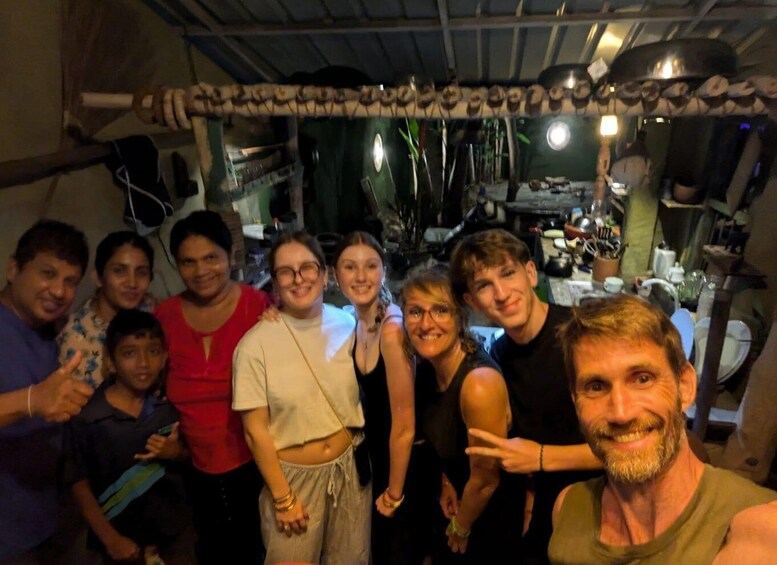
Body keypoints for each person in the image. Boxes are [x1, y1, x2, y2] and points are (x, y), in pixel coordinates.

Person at [549, 294, 777, 563]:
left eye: (642, 379)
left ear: (685, 386)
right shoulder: (568, 509)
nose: (621, 413)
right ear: (576, 402)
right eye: (596, 387)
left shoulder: (759, 528)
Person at [449, 228, 601, 563]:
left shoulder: (583, 340)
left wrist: (541, 457)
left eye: (507, 273)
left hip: (604, 507)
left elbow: (628, 450)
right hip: (547, 515)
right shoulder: (500, 356)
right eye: (484, 286)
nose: (502, 294)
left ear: (530, 273)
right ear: (472, 302)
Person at [233, 231, 371, 565]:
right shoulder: (254, 346)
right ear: (275, 282)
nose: (298, 279)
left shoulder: (348, 324)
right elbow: (255, 431)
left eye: (307, 268)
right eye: (286, 271)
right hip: (294, 482)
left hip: (351, 472)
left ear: (324, 275)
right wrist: (283, 498)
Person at [154, 210, 272, 564]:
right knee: (212, 551)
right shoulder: (164, 316)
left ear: (230, 255)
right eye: (188, 262)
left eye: (210, 258)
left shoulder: (258, 307)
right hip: (192, 468)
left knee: (259, 549)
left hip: (257, 463)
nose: (201, 270)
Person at [400, 265, 523, 562]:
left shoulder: (479, 385)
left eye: (440, 310)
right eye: (415, 312)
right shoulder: (428, 368)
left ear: (460, 317)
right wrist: (446, 480)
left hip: (486, 517)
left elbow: (486, 479)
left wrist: (460, 527)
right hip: (457, 499)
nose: (426, 324)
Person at [62, 309, 190, 564]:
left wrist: (176, 453)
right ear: (110, 361)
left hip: (172, 539)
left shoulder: (169, 410)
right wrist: (110, 539)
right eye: (129, 353)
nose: (143, 362)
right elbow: (78, 482)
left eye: (153, 351)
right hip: (118, 544)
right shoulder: (89, 418)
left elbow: (188, 459)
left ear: (164, 357)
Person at [0, 219, 93, 563]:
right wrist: (29, 401)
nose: (59, 291)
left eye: (70, 281)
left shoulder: (45, 331)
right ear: (14, 269)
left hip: (45, 517)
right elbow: (37, 400)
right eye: (48, 273)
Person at [331, 232, 417, 564]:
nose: (361, 276)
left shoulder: (392, 330)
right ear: (336, 275)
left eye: (370, 266)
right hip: (376, 458)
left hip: (400, 465)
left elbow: (405, 425)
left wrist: (394, 493)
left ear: (383, 271)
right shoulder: (356, 319)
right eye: (349, 267)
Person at [58, 231, 155, 389]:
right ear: (98, 277)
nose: (132, 283)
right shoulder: (75, 339)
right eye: (119, 271)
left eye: (141, 272)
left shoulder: (156, 312)